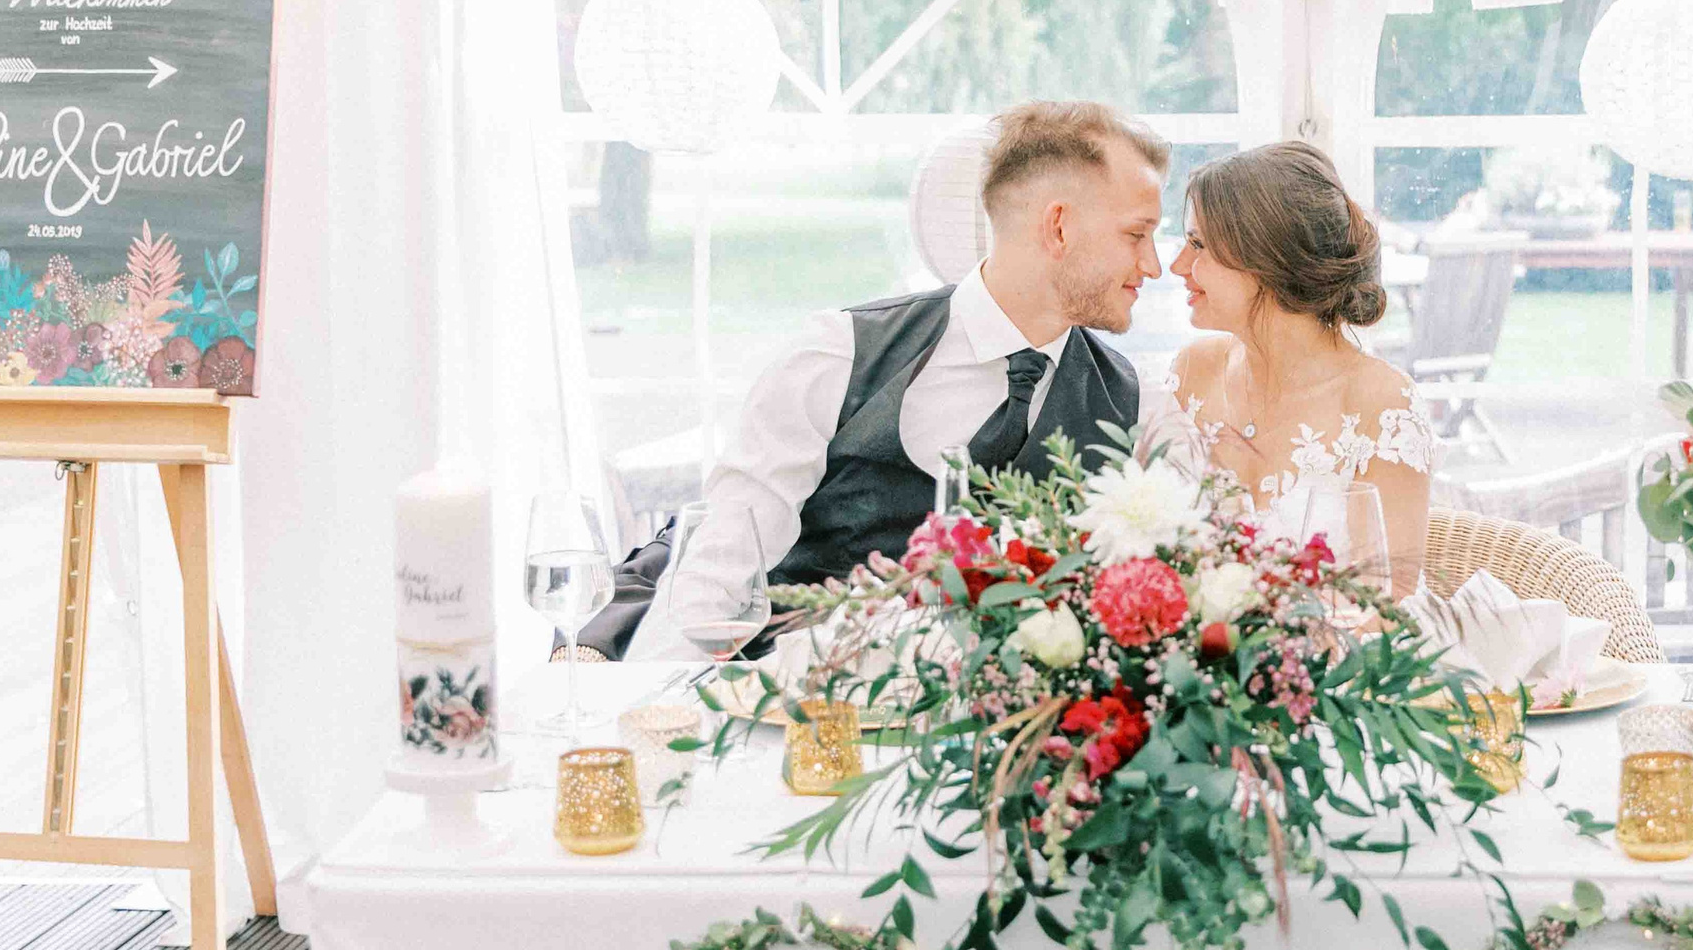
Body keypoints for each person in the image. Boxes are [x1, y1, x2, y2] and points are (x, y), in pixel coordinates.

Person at [573, 100, 1174, 660]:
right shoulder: (839, 355)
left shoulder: (1135, 406)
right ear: (1060, 227)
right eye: (1135, 234)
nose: (1153, 264)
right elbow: (722, 562)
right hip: (794, 723)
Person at [1157, 141, 1434, 595]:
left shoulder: (1381, 406)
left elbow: (1383, 616)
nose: (1177, 265)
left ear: (1266, 258)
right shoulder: (1193, 372)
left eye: (1198, 245)